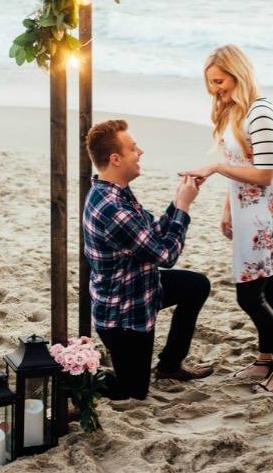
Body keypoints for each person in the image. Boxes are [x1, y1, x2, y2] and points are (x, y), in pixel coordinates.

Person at [180, 45, 273, 393]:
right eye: (211, 84)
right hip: (247, 213)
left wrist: (214, 167)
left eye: (219, 81)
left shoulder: (260, 113)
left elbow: (264, 174)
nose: (216, 89)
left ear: (238, 73)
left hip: (266, 217)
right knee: (266, 286)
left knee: (248, 296)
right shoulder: (234, 111)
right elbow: (241, 168)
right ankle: (265, 359)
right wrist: (228, 208)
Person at [82, 119, 213, 401]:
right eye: (133, 148)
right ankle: (75, 379)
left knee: (196, 285)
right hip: (124, 316)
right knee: (133, 390)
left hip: (143, 288)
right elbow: (165, 255)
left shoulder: (115, 191)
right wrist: (184, 207)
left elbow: (150, 234)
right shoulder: (112, 207)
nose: (140, 151)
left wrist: (178, 199)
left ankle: (170, 365)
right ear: (115, 159)